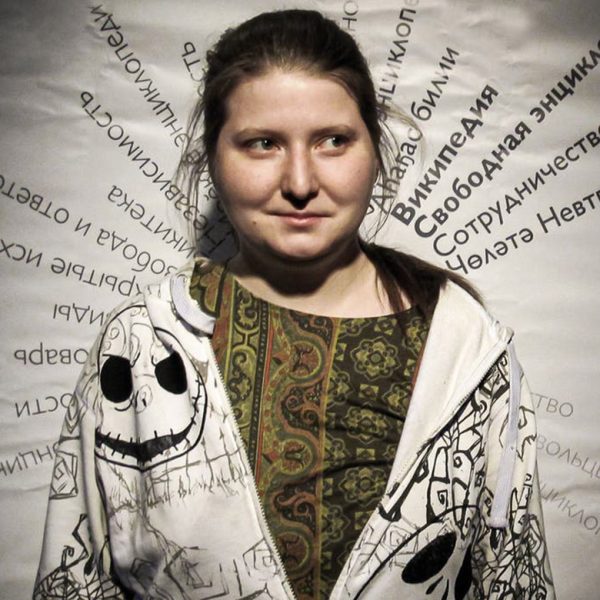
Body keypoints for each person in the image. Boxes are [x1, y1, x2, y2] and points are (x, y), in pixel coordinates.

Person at [34, 9, 554, 600]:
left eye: (333, 141)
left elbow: (517, 578)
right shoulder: (140, 346)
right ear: (212, 159)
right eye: (263, 144)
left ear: (375, 150)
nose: (301, 182)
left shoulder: (467, 347)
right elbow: (72, 580)